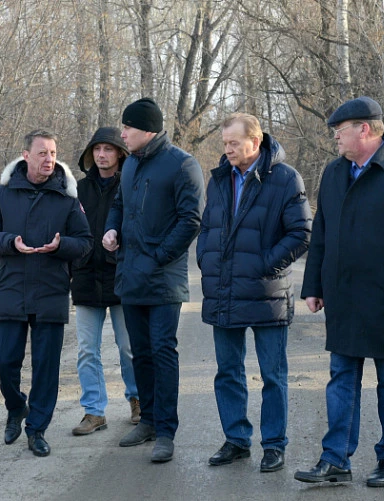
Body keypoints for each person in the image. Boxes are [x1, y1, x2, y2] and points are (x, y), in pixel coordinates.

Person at [294, 96, 384, 487]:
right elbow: (321, 233)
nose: (335, 139)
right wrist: (314, 286)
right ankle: (335, 458)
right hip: (344, 298)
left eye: (340, 132)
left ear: (364, 129)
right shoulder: (335, 173)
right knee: (341, 378)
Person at [196, 113, 311, 473]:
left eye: (233, 143)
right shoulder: (218, 179)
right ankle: (236, 440)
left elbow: (301, 233)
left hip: (266, 292)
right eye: (224, 143)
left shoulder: (285, 179)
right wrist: (205, 259)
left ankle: (274, 444)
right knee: (227, 371)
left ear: (255, 142)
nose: (227, 149)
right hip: (224, 290)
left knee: (273, 374)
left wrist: (265, 265)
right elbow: (207, 227)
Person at [0, 129, 92, 458]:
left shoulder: (68, 199)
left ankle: (36, 429)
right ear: (25, 156)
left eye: (53, 153)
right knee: (6, 359)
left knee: (46, 367)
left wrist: (60, 246)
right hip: (11, 289)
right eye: (42, 153)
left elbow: (84, 243)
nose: (49, 159)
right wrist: (11, 242)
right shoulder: (2, 194)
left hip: (51, 292)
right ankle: (16, 407)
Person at [102, 98, 204, 463]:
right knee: (139, 352)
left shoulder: (182, 165)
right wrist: (111, 230)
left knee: (163, 351)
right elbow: (119, 205)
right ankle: (146, 421)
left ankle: (165, 431)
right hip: (130, 276)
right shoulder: (130, 166)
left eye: (127, 128)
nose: (122, 134)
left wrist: (158, 257)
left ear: (147, 129)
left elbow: (191, 220)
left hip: (163, 280)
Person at [70, 127, 140, 436]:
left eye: (108, 149)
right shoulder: (77, 191)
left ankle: (138, 400)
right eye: (96, 149)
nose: (101, 155)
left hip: (121, 277)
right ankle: (94, 411)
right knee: (87, 349)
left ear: (120, 154)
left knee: (129, 348)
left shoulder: (131, 185)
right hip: (85, 277)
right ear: (90, 154)